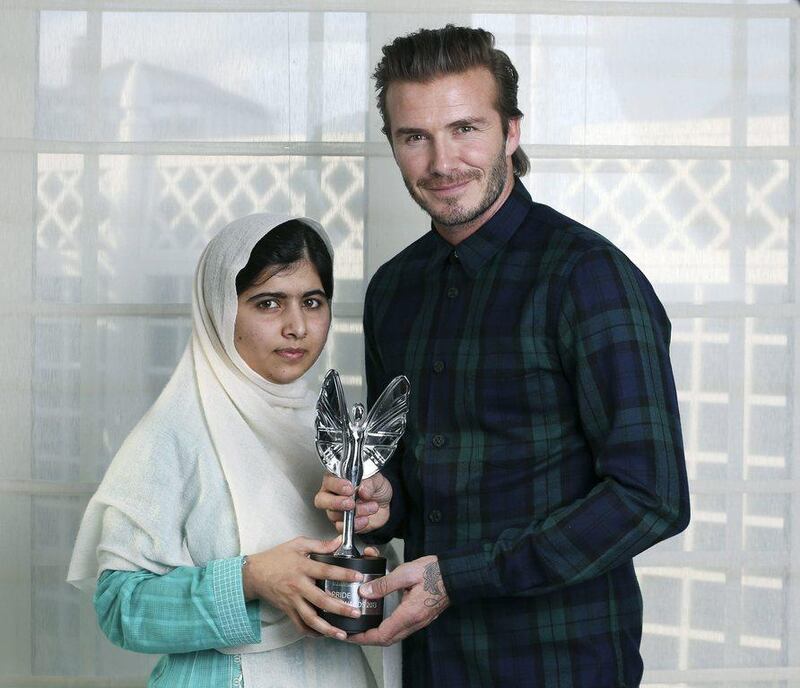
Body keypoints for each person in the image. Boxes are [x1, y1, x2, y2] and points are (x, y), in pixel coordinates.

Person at [315, 25, 691, 687]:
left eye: (465, 128)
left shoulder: (589, 277)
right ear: (394, 146)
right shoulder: (393, 291)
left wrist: (457, 577)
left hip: (560, 665)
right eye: (415, 137)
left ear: (511, 133)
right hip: (432, 661)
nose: (442, 162)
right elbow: (412, 478)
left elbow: (650, 497)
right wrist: (381, 500)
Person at [68, 215, 379, 687]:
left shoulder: (327, 431)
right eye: (268, 303)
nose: (297, 326)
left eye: (312, 302)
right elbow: (119, 607)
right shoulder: (175, 432)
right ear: (219, 307)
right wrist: (250, 579)